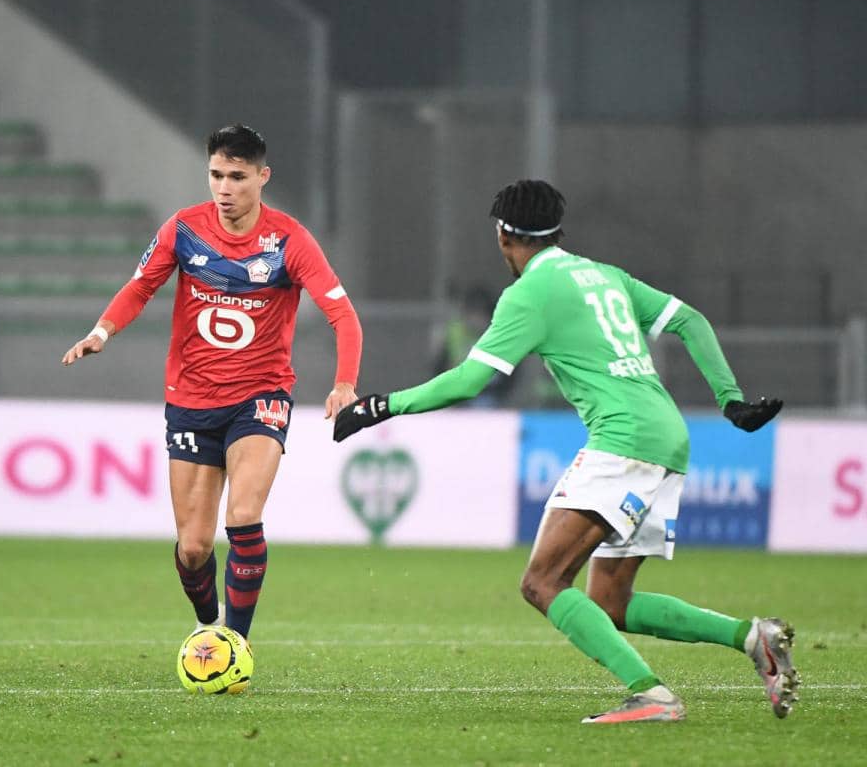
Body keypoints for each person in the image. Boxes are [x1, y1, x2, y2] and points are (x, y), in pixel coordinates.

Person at [334, 179, 797, 723]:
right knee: (611, 602)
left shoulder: (531, 292)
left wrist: (379, 407)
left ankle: (652, 695)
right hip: (666, 437)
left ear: (503, 234)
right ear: (557, 230)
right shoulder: (603, 274)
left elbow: (467, 382)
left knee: (543, 582)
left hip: (623, 441)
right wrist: (731, 400)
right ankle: (753, 638)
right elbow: (690, 321)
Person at [63, 124, 362, 642]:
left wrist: (345, 383)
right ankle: (208, 624)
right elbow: (140, 288)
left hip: (261, 395)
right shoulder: (183, 229)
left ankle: (235, 643)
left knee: (243, 517)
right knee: (194, 547)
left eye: (238, 177)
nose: (224, 188)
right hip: (191, 398)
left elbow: (344, 315)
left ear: (262, 177)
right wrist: (101, 331)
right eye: (216, 175)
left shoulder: (289, 240)